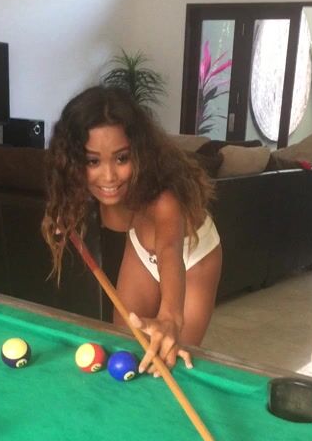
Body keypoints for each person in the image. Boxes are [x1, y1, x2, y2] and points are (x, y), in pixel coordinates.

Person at [42, 85, 222, 375]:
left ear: (139, 153)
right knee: (124, 345)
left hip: (193, 258)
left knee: (168, 359)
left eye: (122, 158)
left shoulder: (164, 199)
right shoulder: (88, 189)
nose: (109, 176)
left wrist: (170, 317)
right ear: (74, 161)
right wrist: (65, 214)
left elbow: (169, 250)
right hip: (141, 248)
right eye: (92, 161)